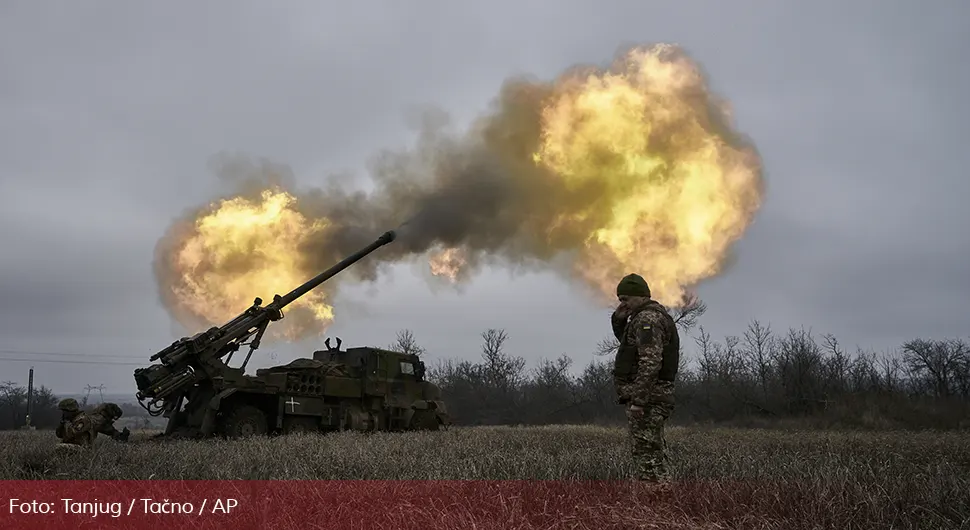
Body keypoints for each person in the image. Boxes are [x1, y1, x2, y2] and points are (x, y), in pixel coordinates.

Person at [611, 273, 680, 483]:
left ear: (641, 296)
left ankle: (656, 504)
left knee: (647, 457)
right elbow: (631, 346)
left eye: (626, 299)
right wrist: (619, 320)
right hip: (652, 397)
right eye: (620, 299)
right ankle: (659, 501)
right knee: (651, 452)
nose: (623, 303)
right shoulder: (645, 318)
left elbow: (650, 362)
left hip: (650, 399)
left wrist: (639, 401)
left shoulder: (647, 320)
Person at [55, 398, 130, 446]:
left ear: (70, 410)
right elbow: (59, 435)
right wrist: (62, 423)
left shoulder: (83, 419)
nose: (63, 413)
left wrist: (120, 436)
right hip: (73, 447)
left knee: (59, 448)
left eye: (64, 411)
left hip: (81, 450)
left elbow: (71, 433)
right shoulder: (74, 419)